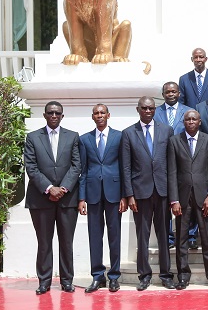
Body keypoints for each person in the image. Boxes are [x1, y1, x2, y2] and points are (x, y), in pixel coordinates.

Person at [24, 101, 81, 295]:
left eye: (57, 113)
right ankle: (44, 281)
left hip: (67, 199)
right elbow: (31, 167)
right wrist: (49, 188)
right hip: (41, 199)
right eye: (50, 113)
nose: (54, 116)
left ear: (62, 116)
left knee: (66, 242)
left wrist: (62, 188)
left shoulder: (73, 137)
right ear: (45, 115)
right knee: (44, 242)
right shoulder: (32, 137)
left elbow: (76, 166)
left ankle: (67, 281)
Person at [121, 96, 175, 291]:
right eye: (144, 108)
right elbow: (125, 167)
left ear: (155, 110)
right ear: (138, 109)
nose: (148, 111)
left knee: (164, 235)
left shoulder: (166, 130)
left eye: (151, 108)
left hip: (162, 192)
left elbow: (171, 164)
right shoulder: (128, 133)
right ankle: (144, 275)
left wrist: (172, 194)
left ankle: (166, 274)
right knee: (142, 235)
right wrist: (129, 195)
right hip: (140, 193)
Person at [167, 109, 208, 290]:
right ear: (183, 122)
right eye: (187, 119)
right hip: (182, 199)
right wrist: (174, 200)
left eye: (194, 119)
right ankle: (183, 276)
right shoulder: (175, 141)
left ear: (199, 122)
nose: (190, 122)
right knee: (181, 238)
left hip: (203, 198)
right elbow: (172, 172)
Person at [78, 104, 125, 293]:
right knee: (95, 237)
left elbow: (124, 167)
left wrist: (124, 195)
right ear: (92, 117)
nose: (99, 116)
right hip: (93, 194)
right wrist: (81, 198)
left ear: (108, 115)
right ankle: (97, 276)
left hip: (114, 194)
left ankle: (114, 276)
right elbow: (82, 170)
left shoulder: (119, 137)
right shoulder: (85, 139)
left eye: (102, 113)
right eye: (96, 113)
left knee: (115, 236)